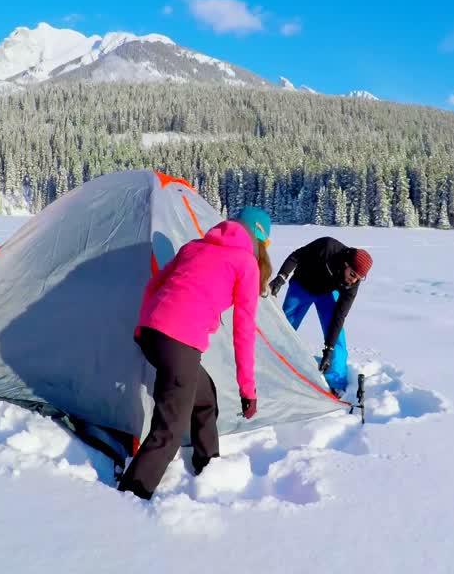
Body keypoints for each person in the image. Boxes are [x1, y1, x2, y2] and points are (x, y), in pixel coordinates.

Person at [116, 205, 274, 501]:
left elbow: (154, 286)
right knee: (168, 432)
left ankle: (208, 462)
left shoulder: (195, 247)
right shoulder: (245, 264)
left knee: (204, 396)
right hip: (178, 344)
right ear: (260, 242)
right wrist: (247, 390)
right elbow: (244, 332)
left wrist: (143, 329)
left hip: (152, 334)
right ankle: (131, 495)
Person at [268, 238, 373, 395]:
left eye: (359, 278)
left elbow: (339, 315)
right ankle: (273, 370)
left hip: (326, 294)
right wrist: (282, 277)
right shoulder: (327, 247)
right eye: (352, 274)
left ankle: (337, 383)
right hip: (301, 288)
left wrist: (328, 349)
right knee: (285, 330)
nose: (354, 279)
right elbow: (296, 256)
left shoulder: (352, 283)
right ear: (346, 264)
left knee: (337, 339)